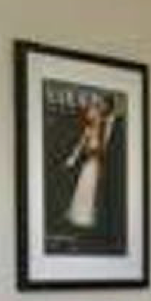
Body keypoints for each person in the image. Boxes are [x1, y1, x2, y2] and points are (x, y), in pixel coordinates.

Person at [61, 95, 111, 231]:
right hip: (89, 162)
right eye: (92, 113)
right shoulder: (89, 130)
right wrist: (72, 159)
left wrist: (97, 154)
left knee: (92, 188)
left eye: (96, 112)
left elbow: (103, 147)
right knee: (84, 186)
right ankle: (81, 216)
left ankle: (89, 216)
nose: (93, 115)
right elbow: (80, 145)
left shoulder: (105, 127)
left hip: (97, 163)